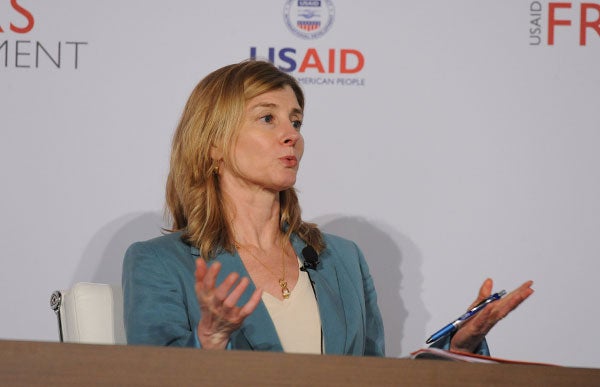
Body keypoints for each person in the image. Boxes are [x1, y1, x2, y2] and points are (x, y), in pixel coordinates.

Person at [122, 59, 534, 355]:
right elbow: (153, 379)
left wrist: (455, 353)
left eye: (296, 122)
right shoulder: (160, 263)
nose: (291, 136)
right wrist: (209, 341)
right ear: (213, 144)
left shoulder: (343, 259)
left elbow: (374, 380)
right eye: (268, 118)